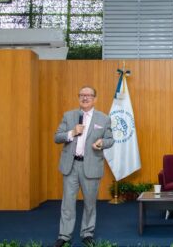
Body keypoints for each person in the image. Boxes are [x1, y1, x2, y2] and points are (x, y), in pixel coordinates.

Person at [54, 86, 114, 247]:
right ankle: (64, 235)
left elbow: (110, 139)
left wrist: (101, 143)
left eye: (89, 95)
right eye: (82, 95)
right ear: (78, 97)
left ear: (95, 99)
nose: (85, 98)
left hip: (91, 166)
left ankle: (87, 233)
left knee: (90, 203)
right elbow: (57, 137)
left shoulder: (104, 118)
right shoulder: (69, 116)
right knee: (67, 203)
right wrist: (72, 133)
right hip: (71, 165)